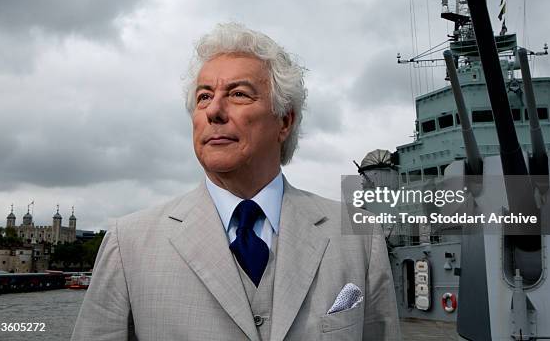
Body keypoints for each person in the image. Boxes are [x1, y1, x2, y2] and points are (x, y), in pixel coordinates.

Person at [71, 23, 401, 341]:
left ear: (284, 121)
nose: (214, 110)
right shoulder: (128, 243)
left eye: (238, 94)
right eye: (203, 97)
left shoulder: (359, 239)